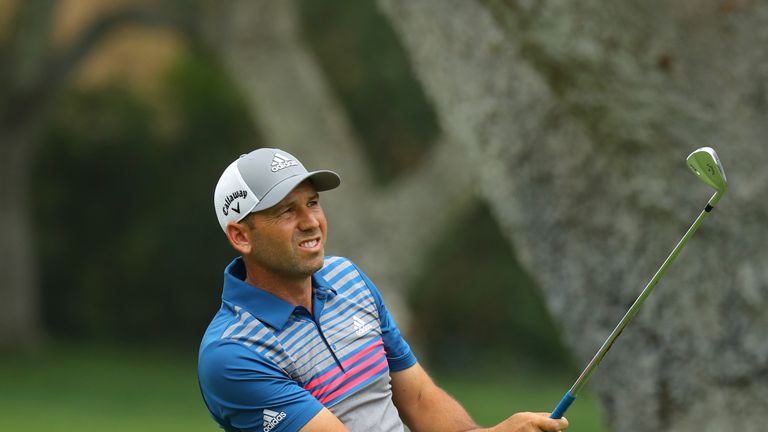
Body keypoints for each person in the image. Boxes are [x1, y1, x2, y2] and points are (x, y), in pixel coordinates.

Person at [198, 148, 569, 432]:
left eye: (312, 202)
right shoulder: (233, 354)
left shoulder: (348, 279)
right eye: (286, 211)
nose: (311, 222)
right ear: (241, 235)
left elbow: (420, 399)